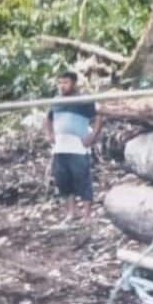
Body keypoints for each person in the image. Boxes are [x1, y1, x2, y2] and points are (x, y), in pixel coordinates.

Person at [44, 71, 102, 222]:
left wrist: (92, 136)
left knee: (82, 179)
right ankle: (71, 212)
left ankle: (87, 215)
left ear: (74, 84)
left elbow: (99, 117)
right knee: (63, 180)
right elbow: (48, 119)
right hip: (60, 148)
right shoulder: (56, 101)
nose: (62, 86)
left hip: (78, 147)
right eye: (60, 83)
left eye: (66, 83)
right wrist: (50, 135)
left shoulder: (84, 100)